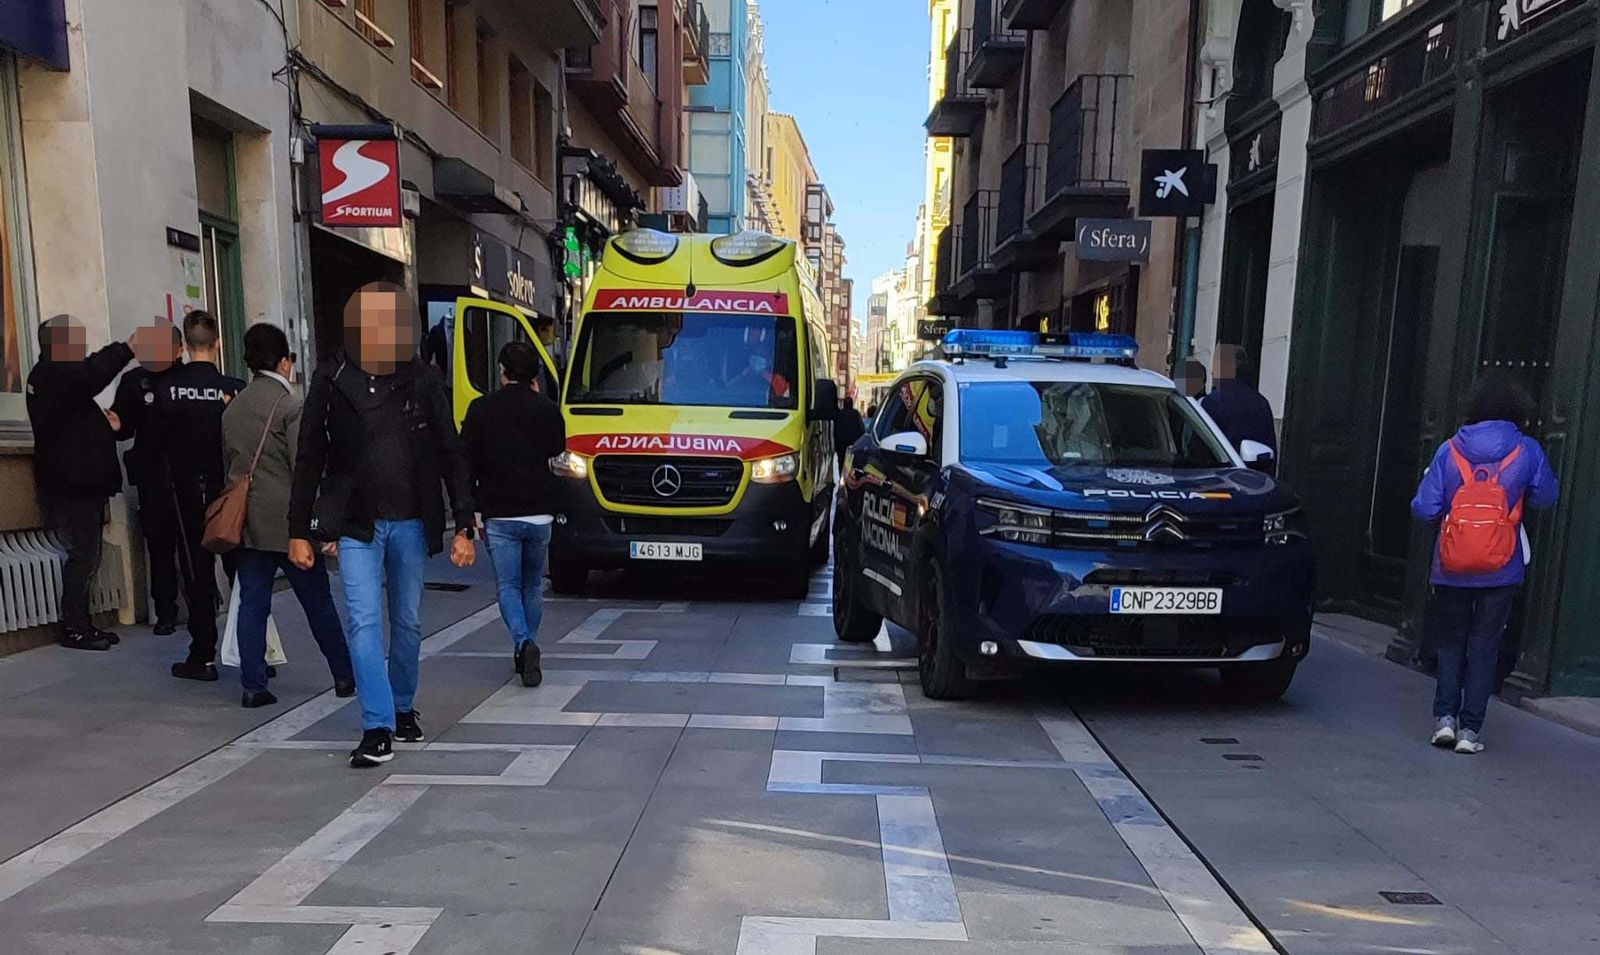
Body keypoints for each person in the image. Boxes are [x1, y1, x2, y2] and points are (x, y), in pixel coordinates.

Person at [289, 282, 476, 768]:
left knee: (408, 622)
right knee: (364, 621)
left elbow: (451, 449)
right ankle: (377, 725)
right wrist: (298, 529)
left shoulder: (423, 378)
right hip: (356, 525)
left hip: (412, 521)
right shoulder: (331, 380)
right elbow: (310, 454)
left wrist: (463, 523)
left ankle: (402, 705)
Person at [1411, 372, 1558, 754]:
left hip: (1451, 566)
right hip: (1500, 565)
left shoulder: (1449, 450)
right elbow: (1545, 498)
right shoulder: (1526, 450)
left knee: (1450, 643)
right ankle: (1470, 732)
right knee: (1484, 646)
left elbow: (1424, 508)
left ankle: (1444, 720)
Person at [222, 323, 356, 708]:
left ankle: (253, 684)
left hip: (248, 520)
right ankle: (344, 674)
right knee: (317, 601)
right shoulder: (291, 407)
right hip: (290, 523)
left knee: (253, 602)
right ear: (284, 362)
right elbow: (306, 465)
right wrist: (323, 520)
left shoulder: (233, 409)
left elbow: (228, 463)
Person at [461, 341, 566, 688]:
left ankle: (523, 642)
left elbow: (467, 463)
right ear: (535, 375)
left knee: (507, 585)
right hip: (540, 512)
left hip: (499, 512)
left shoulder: (480, 410)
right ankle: (528, 648)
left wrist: (469, 511)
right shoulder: (549, 411)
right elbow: (557, 455)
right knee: (533, 585)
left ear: (502, 371)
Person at [26, 315, 133, 651]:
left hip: (80, 483)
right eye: (74, 340)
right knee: (82, 557)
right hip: (72, 486)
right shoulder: (52, 376)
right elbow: (91, 375)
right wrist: (126, 349)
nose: (83, 347)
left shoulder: (56, 377)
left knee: (87, 556)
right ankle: (74, 627)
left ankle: (82, 624)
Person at [165, 311, 245, 682]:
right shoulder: (235, 389)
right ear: (218, 343)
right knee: (243, 573)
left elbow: (153, 444)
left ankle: (203, 654)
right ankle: (252, 650)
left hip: (184, 493)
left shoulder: (168, 388)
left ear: (183, 344)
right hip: (229, 493)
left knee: (197, 575)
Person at [112, 323, 184, 635]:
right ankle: (165, 611)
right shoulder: (134, 381)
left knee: (194, 545)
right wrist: (114, 424)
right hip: (153, 475)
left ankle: (201, 605)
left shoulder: (189, 379)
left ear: (179, 350)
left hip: (190, 474)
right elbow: (124, 428)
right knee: (160, 545)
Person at [1201, 344, 1277, 470]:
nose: (1212, 372)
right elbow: (1270, 451)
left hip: (1218, 477)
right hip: (1255, 479)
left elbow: (1198, 448)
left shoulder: (1213, 402)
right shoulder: (1262, 403)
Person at [832, 395, 865, 470]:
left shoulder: (839, 414)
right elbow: (861, 428)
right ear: (852, 404)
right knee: (852, 462)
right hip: (854, 442)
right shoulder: (856, 413)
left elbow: (835, 429)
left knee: (841, 461)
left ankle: (841, 476)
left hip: (841, 442)